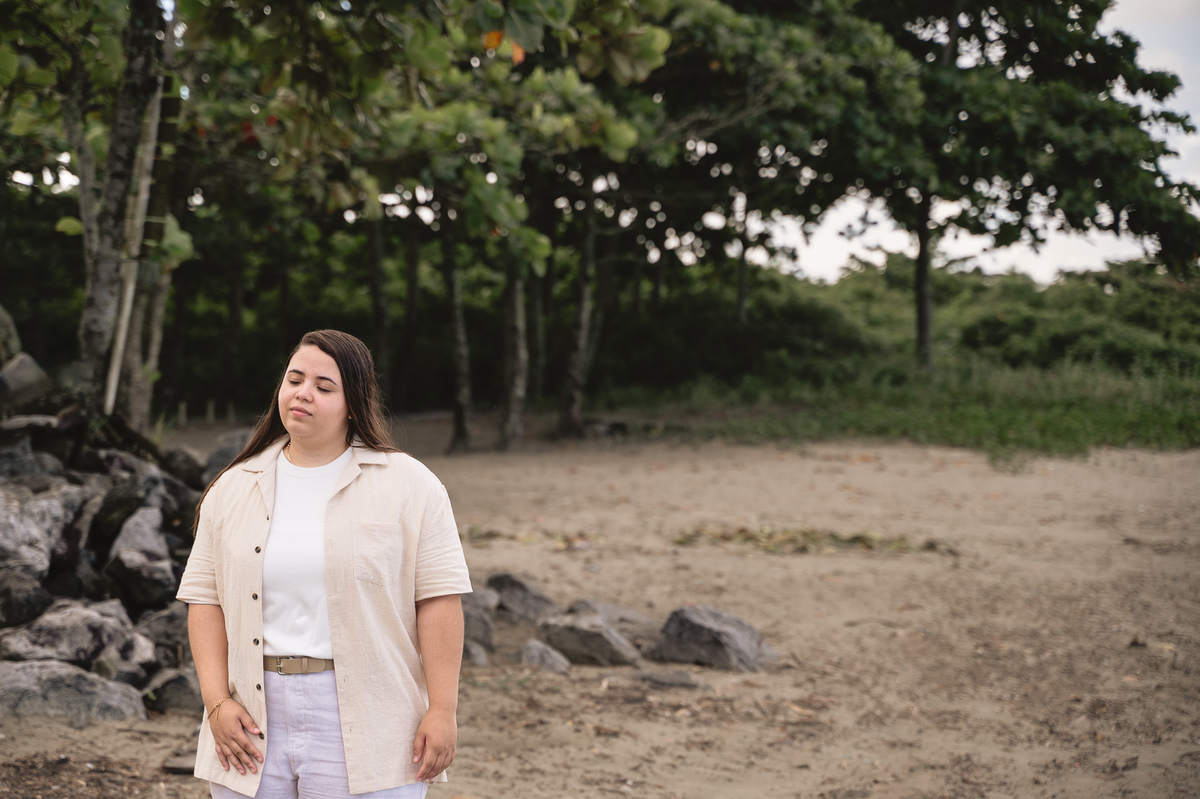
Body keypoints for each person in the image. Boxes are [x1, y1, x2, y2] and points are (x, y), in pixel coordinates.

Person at [178, 329, 471, 799]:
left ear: (353, 403)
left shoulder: (410, 486)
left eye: (324, 386)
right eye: (295, 379)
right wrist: (216, 703)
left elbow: (438, 599)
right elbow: (205, 601)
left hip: (371, 714)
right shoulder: (232, 488)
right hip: (250, 718)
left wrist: (442, 709)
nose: (303, 393)